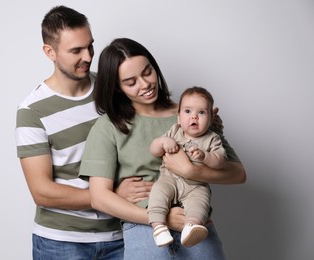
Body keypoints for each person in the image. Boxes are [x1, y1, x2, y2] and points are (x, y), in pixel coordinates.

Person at [79, 38, 246, 259]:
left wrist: (191, 171)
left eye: (147, 72)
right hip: (145, 230)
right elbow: (98, 197)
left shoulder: (192, 114)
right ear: (117, 88)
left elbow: (238, 173)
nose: (145, 84)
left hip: (196, 226)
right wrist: (160, 218)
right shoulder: (108, 127)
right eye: (131, 82)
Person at [15, 6, 152, 259]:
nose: (88, 56)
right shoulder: (32, 111)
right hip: (61, 242)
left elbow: (154, 122)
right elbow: (41, 191)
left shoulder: (111, 89)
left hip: (123, 234)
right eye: (76, 50)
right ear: (50, 52)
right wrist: (108, 197)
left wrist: (198, 118)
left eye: (90, 46)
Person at [148, 86, 228, 248]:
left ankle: (190, 228)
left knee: (200, 203)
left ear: (211, 118)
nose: (194, 117)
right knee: (158, 192)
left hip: (196, 185)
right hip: (170, 179)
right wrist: (163, 142)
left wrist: (205, 156)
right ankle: (158, 227)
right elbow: (154, 150)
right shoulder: (174, 132)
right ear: (178, 118)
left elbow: (221, 161)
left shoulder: (212, 139)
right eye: (188, 111)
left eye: (201, 112)